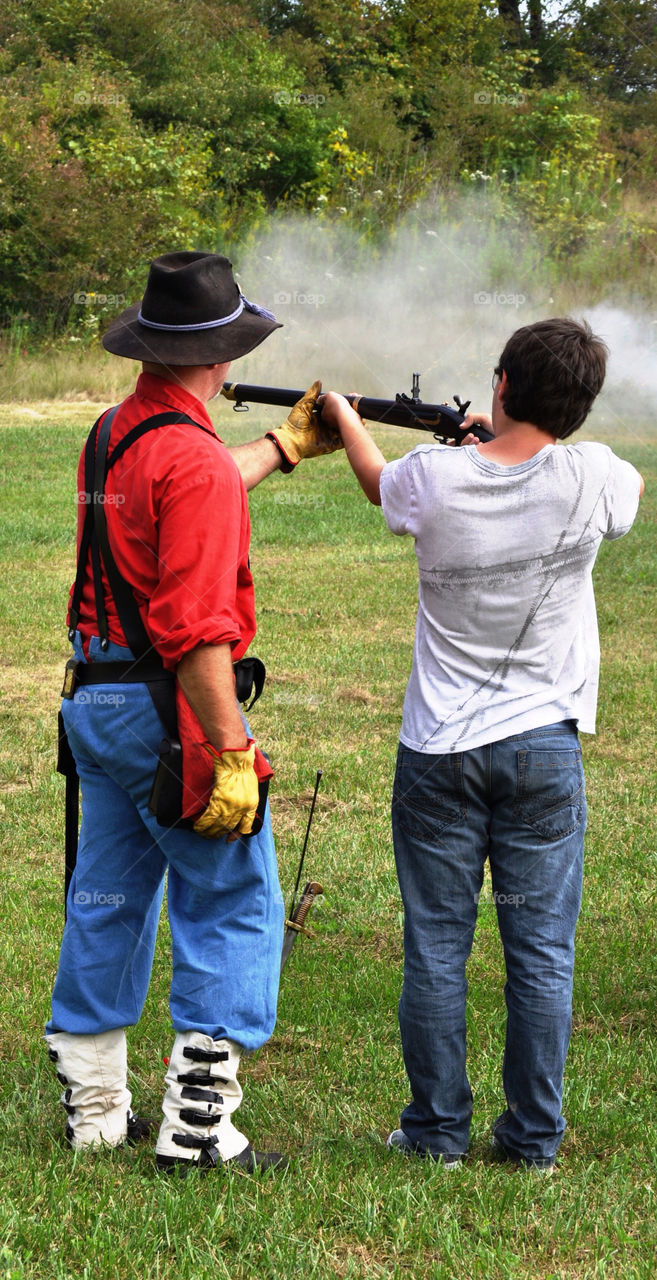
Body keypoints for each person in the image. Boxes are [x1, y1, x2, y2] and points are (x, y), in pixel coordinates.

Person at [321, 318, 644, 1171]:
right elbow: (608, 485)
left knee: (435, 948)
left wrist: (346, 419)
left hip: (437, 747)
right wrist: (505, 441)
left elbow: (377, 484)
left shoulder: (432, 477)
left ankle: (436, 1134)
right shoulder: (597, 477)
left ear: (498, 385)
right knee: (540, 955)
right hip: (544, 744)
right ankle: (532, 1138)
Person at [46, 250, 341, 1173]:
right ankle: (199, 1129)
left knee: (106, 897)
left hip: (93, 704)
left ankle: (94, 1107)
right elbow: (197, 636)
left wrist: (284, 448)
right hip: (169, 714)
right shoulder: (196, 461)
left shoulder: (113, 432)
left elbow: (189, 477)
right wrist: (228, 749)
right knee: (232, 901)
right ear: (216, 356)